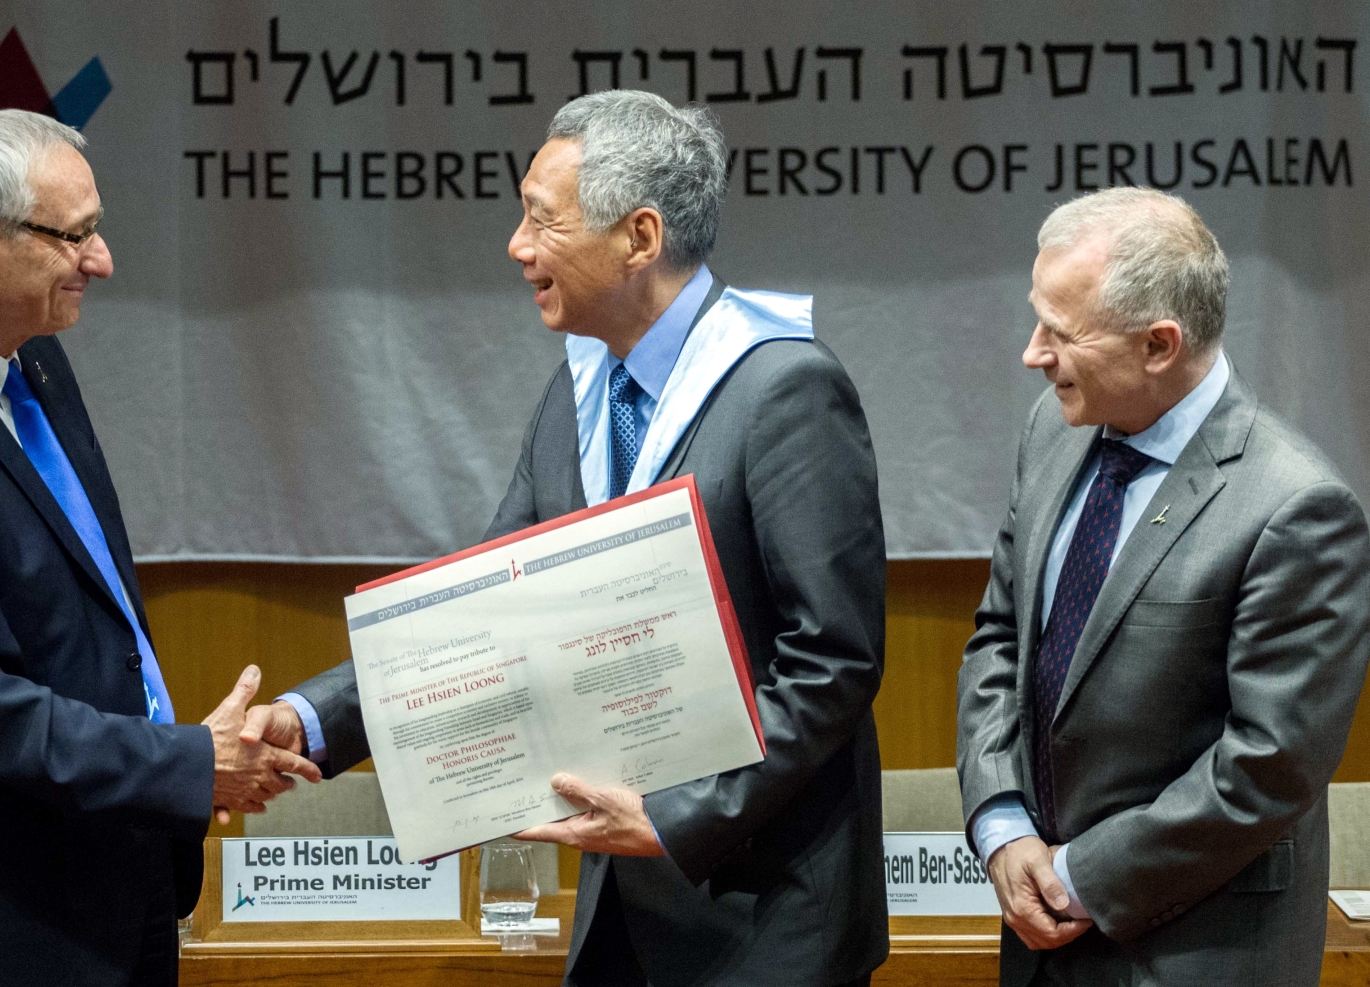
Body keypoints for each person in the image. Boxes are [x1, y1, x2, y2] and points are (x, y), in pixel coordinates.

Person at [245, 91, 889, 987]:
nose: (518, 246)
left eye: (542, 220)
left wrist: (675, 815)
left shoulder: (784, 389)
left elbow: (833, 659)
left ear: (640, 237)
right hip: (620, 912)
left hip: (765, 918)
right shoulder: (578, 394)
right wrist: (312, 719)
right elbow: (478, 615)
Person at [0, 110, 317, 987]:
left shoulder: (33, 358)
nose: (102, 259)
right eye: (75, 235)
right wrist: (188, 762)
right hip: (7, 921)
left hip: (117, 877)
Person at [956, 186, 1370, 987]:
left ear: (1159, 344)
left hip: (1195, 951)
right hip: (1038, 938)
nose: (1034, 353)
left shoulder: (1296, 507)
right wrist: (1003, 824)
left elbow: (1269, 766)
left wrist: (1077, 875)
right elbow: (1000, 638)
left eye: (1061, 332)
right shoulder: (1052, 430)